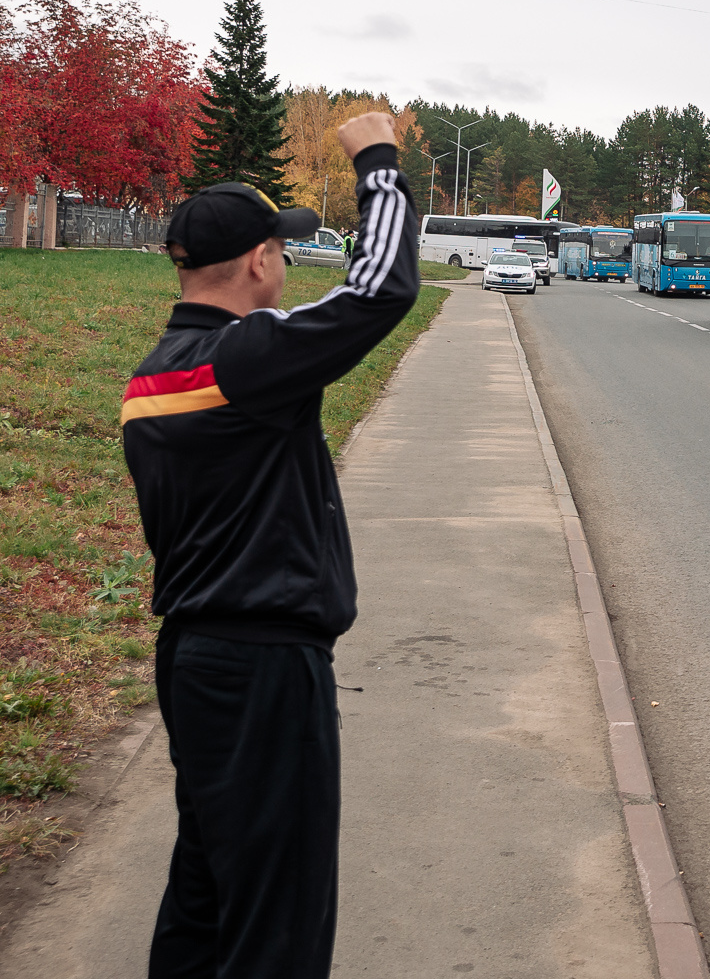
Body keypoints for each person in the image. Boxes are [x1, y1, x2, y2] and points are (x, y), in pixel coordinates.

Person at [121, 113, 419, 979]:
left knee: (207, 892)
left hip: (193, 659)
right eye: (282, 251)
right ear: (259, 260)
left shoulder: (155, 374)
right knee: (277, 922)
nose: (286, 265)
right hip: (261, 672)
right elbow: (380, 291)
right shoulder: (243, 360)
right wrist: (378, 164)